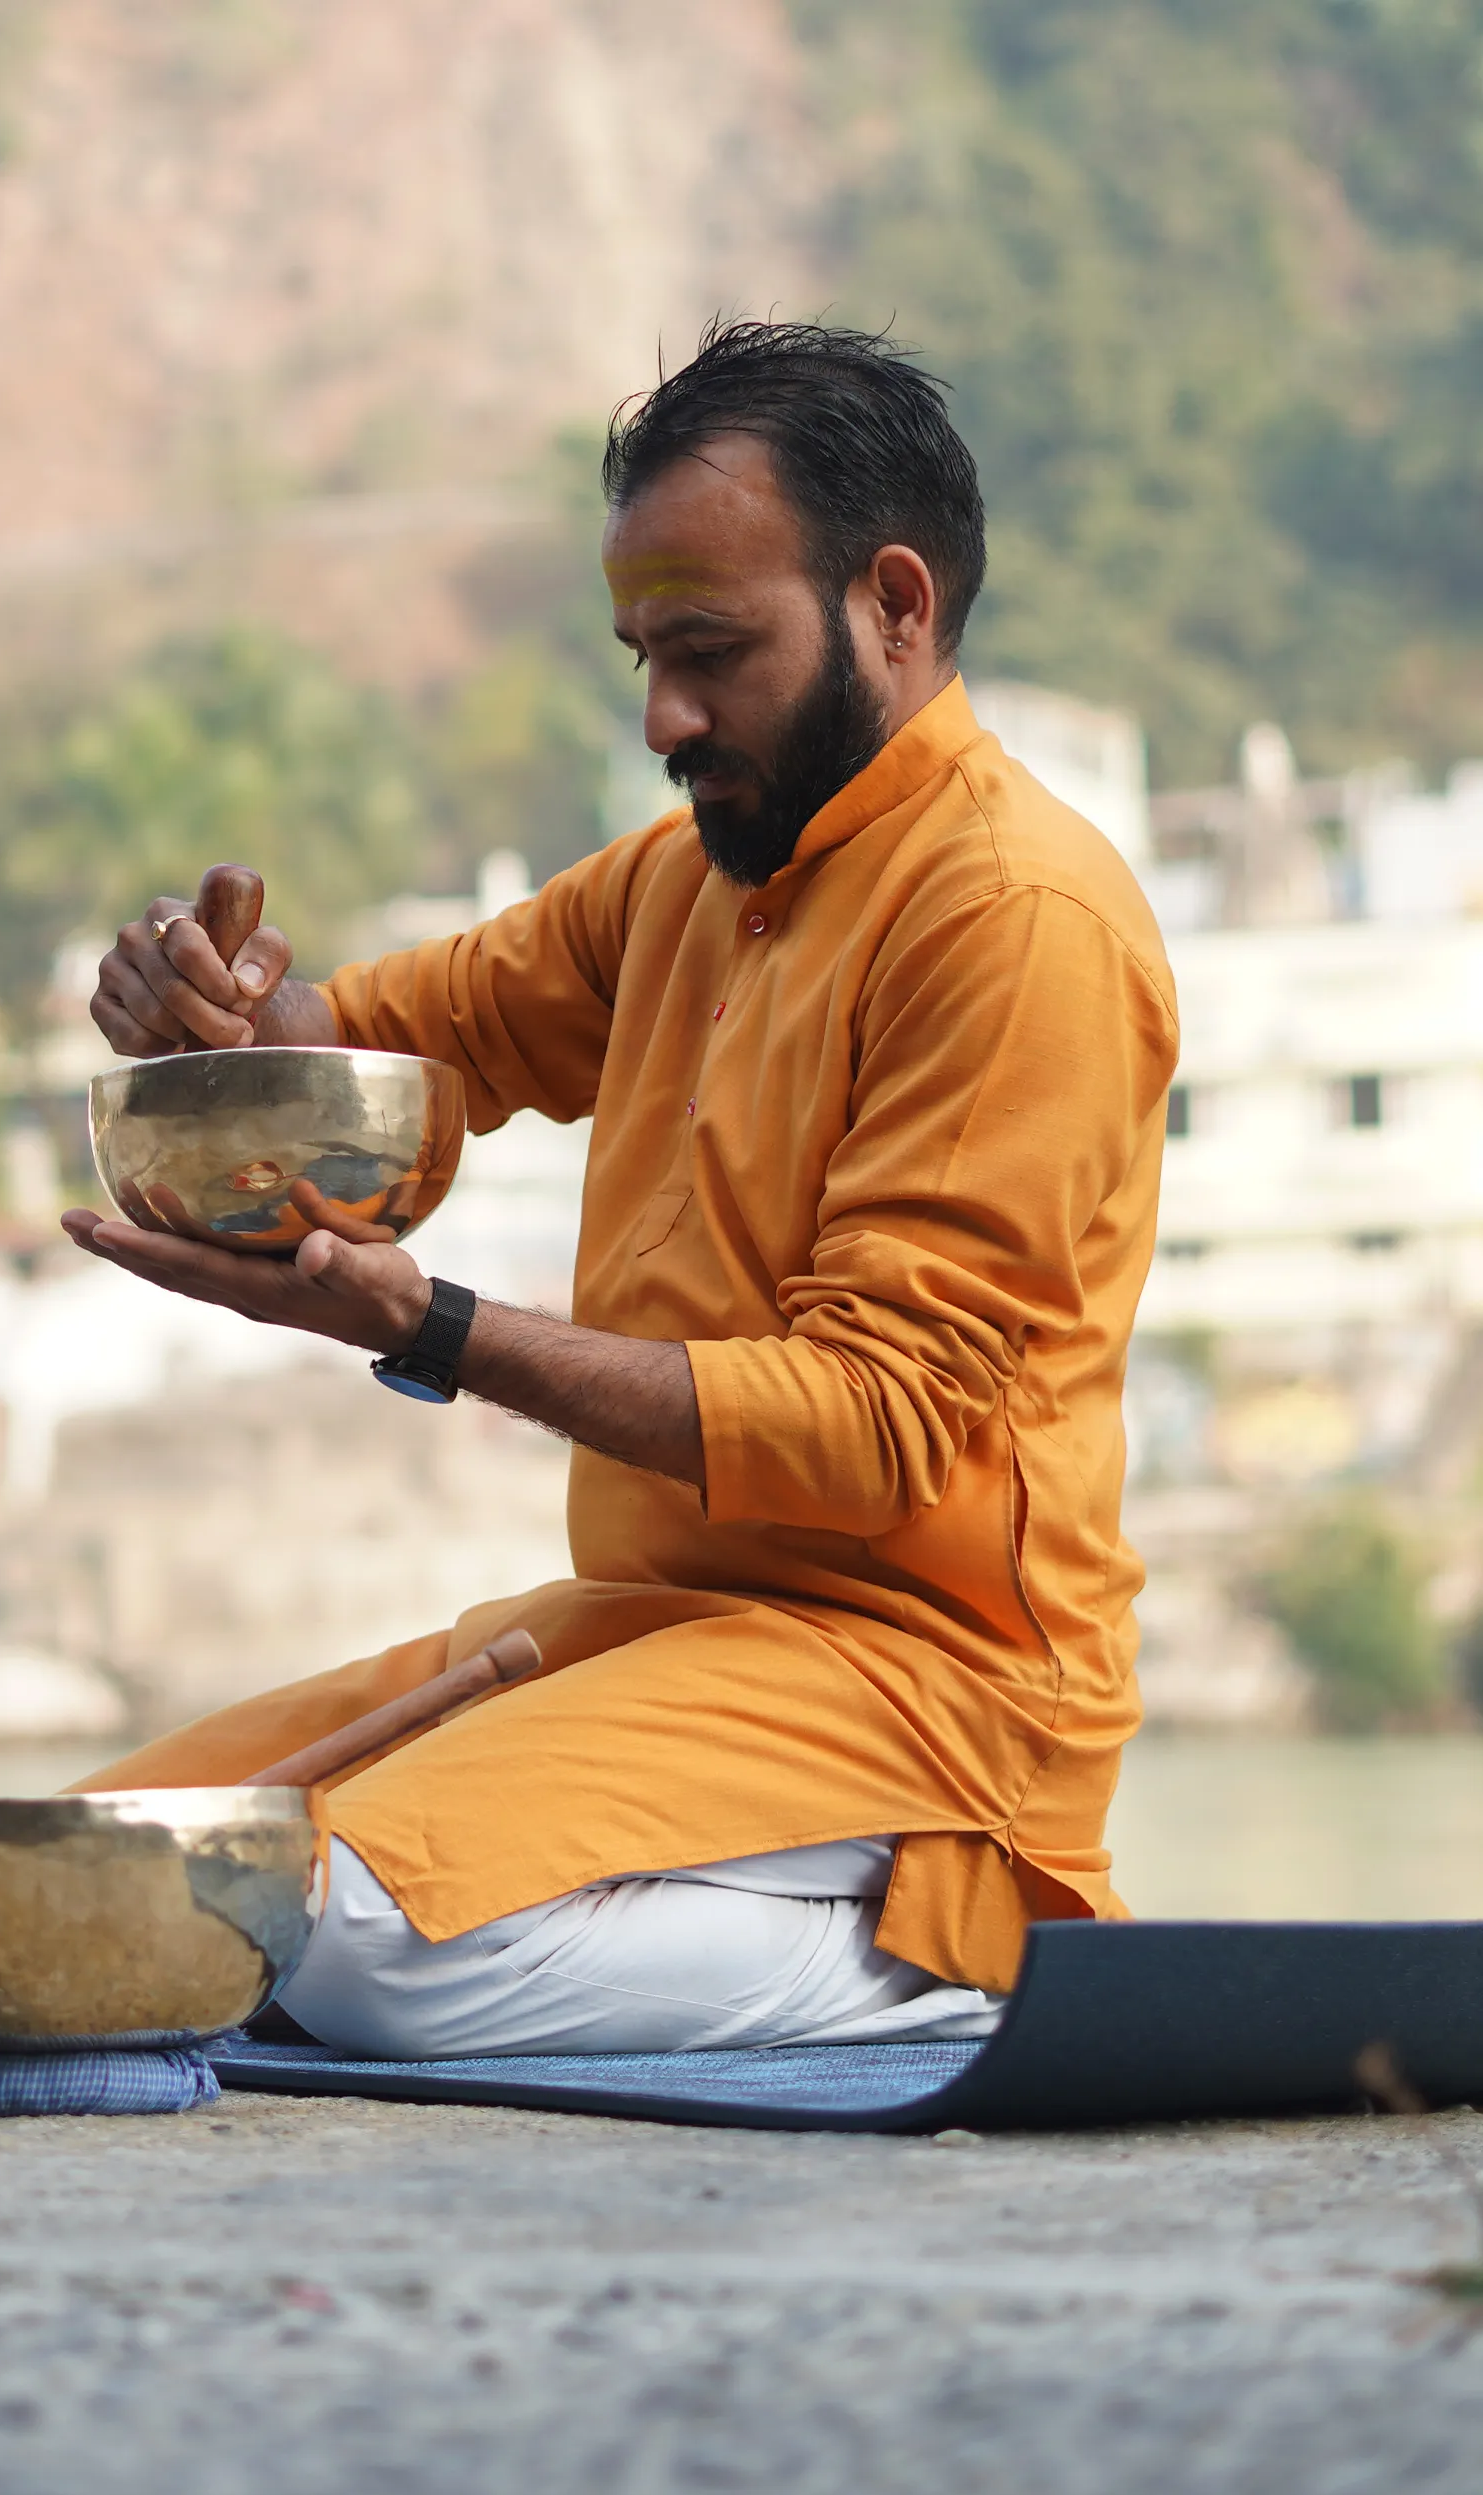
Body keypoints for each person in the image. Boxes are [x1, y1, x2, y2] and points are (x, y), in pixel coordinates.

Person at [66, 319, 1177, 2058]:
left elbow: (878, 1431)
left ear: (895, 604)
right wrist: (207, 1025)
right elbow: (372, 1048)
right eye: (643, 652)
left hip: (924, 1687)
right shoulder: (679, 879)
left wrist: (430, 1323)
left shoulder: (1009, 916)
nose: (664, 714)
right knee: (94, 1871)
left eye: (712, 650)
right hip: (646, 1635)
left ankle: (942, 1962)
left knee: (335, 1933)